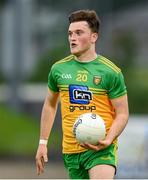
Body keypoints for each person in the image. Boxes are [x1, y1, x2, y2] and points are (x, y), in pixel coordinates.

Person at [35, 9, 129, 179]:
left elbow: (122, 114)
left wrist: (109, 139)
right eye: (70, 33)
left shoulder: (111, 72)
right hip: (71, 151)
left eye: (79, 33)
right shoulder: (58, 70)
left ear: (94, 37)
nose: (72, 37)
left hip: (101, 149)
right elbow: (49, 104)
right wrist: (43, 143)